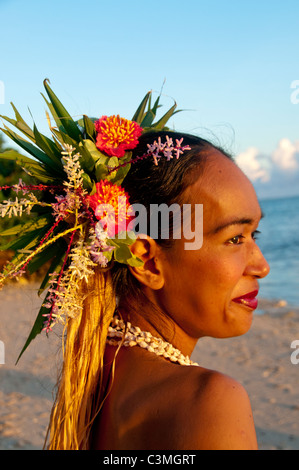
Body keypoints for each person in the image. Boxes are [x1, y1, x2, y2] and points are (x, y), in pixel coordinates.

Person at [0, 83, 269, 450]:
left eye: (256, 234)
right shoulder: (209, 400)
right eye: (236, 239)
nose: (262, 266)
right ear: (146, 259)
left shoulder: (95, 383)